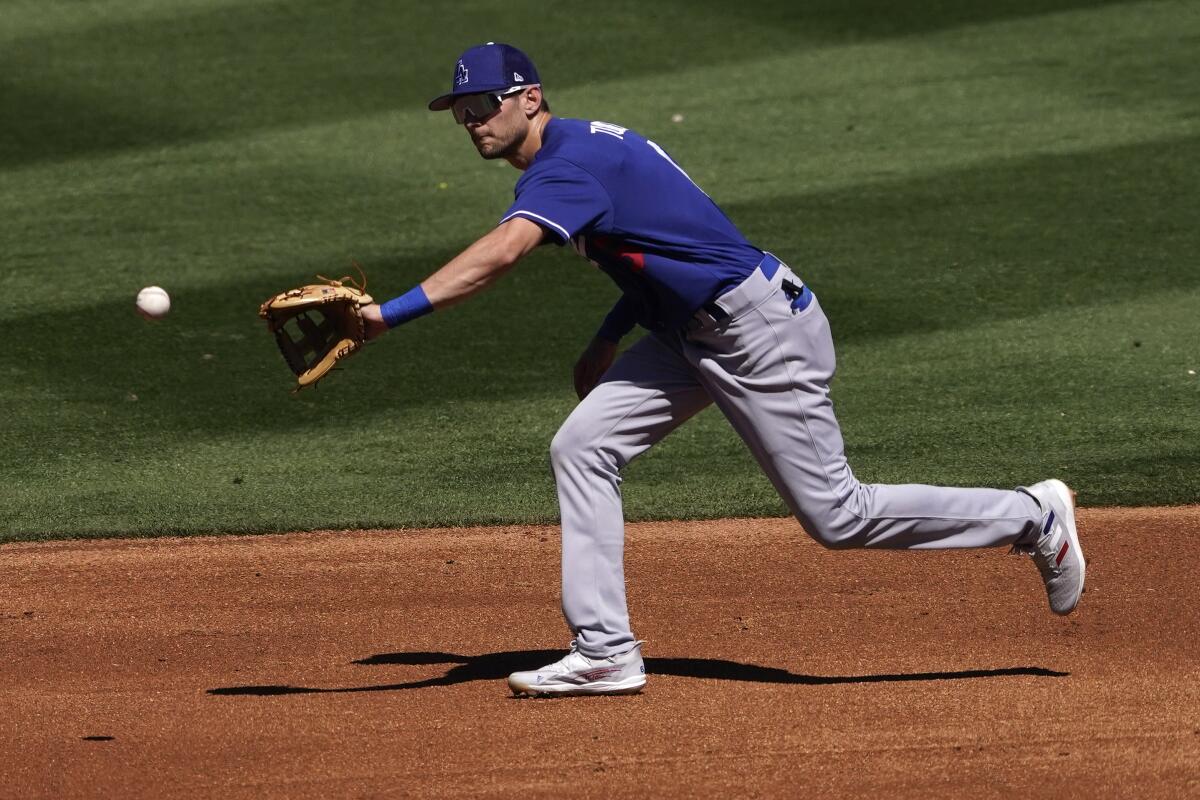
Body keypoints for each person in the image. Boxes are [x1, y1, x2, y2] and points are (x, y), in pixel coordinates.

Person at [360, 43, 1086, 697]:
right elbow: (665, 241)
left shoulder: (568, 167)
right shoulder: (586, 149)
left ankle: (1033, 516)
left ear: (530, 98)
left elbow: (502, 254)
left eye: (484, 104)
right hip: (690, 333)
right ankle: (606, 652)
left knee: (838, 515)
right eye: (460, 111)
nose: (472, 121)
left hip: (757, 334)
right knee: (582, 447)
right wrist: (609, 336)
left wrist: (387, 315)